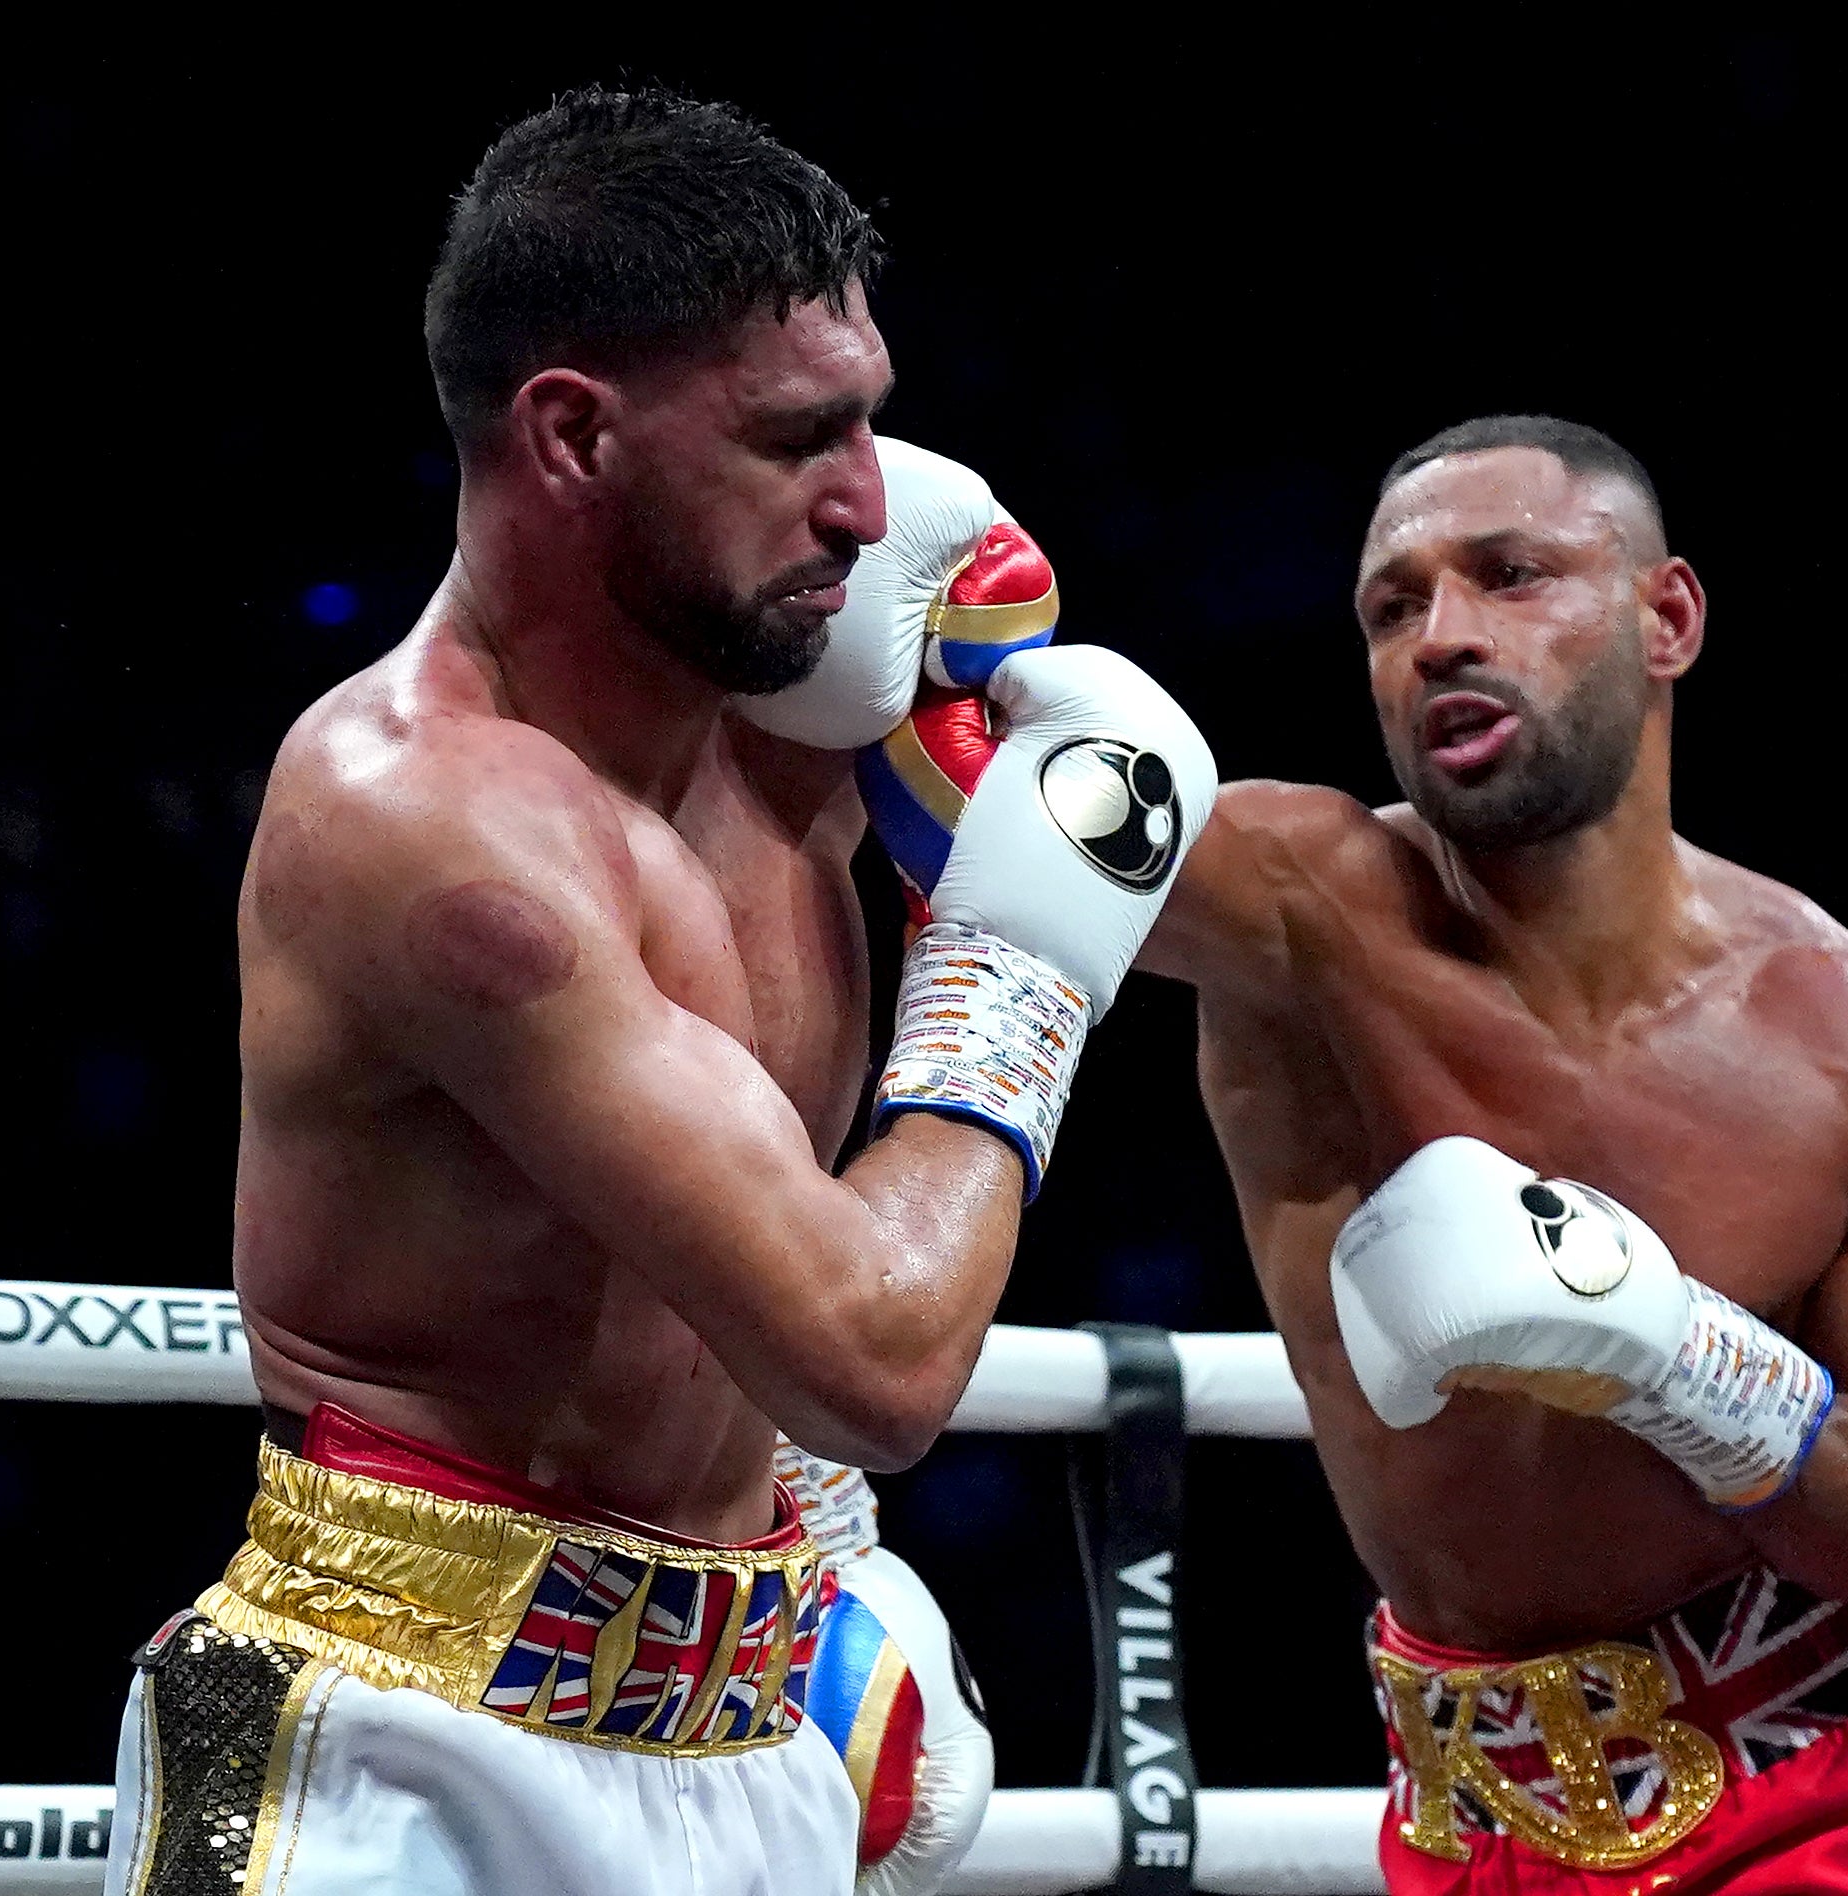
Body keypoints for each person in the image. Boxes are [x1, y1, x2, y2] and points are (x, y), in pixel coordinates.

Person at [104, 88, 1213, 1896]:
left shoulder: (798, 726)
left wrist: (819, 1549)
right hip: (395, 1755)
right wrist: (1013, 975)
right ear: (572, 437)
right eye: (800, 438)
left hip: (743, 1735)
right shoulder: (431, 827)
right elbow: (877, 1354)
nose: (869, 500)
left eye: (871, 419)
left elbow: (1176, 891)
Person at [887, 415, 1848, 1891]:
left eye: (1508, 575)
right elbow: (979, 827)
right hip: (1467, 1824)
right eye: (1393, 605)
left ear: (1665, 617)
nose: (1440, 637)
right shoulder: (1302, 910)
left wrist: (1682, 1361)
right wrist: (867, 576)